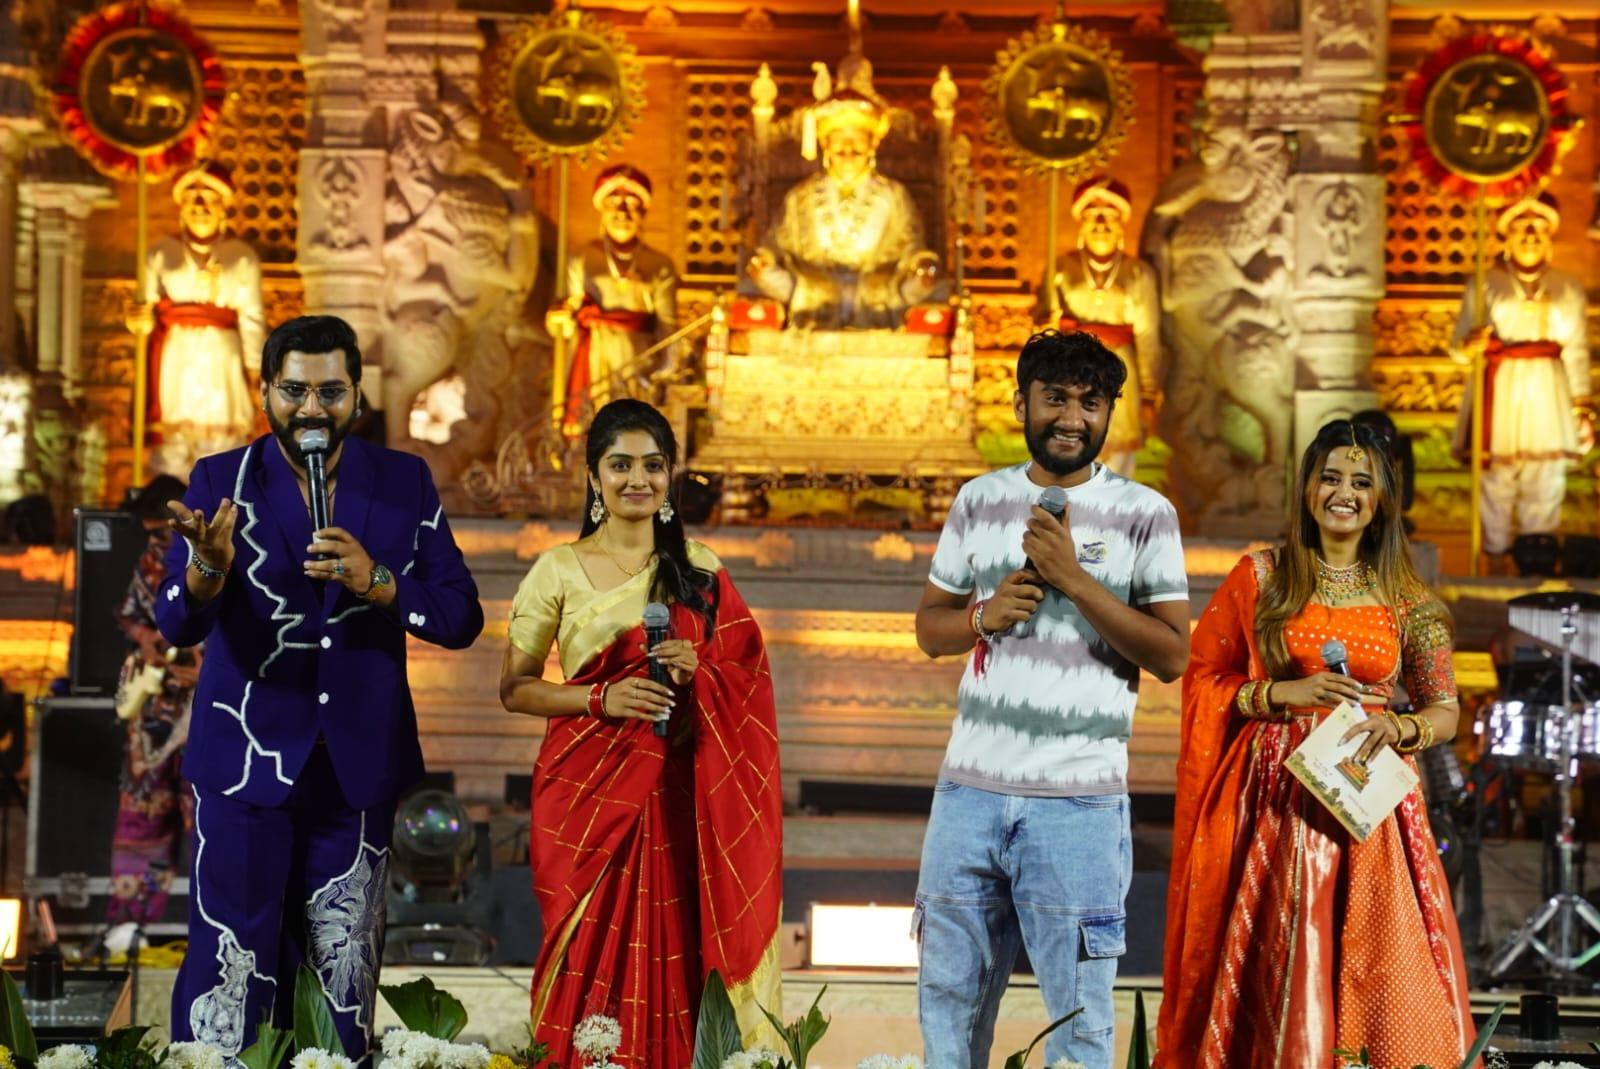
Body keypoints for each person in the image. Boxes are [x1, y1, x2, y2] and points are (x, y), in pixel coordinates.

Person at [155, 315, 483, 1062]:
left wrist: (378, 581)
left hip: (355, 768)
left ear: (357, 395)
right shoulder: (220, 479)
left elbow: (460, 615)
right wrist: (207, 570)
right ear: (265, 392)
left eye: (331, 392)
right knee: (230, 973)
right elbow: (175, 620)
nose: (312, 408)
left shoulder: (402, 481)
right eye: (295, 390)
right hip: (244, 765)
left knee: (342, 974)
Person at [1155, 419, 1475, 1067]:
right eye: (1330, 477)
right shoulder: (1262, 576)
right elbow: (1203, 678)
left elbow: (1445, 709)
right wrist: (1281, 693)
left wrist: (1401, 727)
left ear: (1382, 499)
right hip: (1275, 801)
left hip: (1369, 803)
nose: (1343, 493)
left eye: (1361, 482)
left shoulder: (1407, 598)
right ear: (1307, 488)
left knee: (1374, 952)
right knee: (1283, 945)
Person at [912, 330, 1190, 1069]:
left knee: (1080, 1024)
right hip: (968, 794)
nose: (1072, 418)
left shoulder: (1146, 512)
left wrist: (1073, 578)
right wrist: (983, 615)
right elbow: (930, 628)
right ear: (1021, 404)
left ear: (1110, 413)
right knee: (948, 1009)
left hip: (1078, 803)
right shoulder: (979, 499)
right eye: (1056, 398)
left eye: (1090, 403)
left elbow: (1171, 655)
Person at [499, 399, 782, 1068]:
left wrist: (699, 668)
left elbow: (747, 679)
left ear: (669, 477)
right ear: (593, 477)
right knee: (590, 956)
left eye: (653, 466)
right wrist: (601, 697)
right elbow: (515, 688)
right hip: (589, 798)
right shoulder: (557, 569)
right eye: (620, 465)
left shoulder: (701, 568)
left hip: (684, 798)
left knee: (680, 952)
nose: (637, 479)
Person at [1451, 192, 1593, 573]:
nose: (1530, 235)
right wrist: (1470, 345)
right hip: (1501, 388)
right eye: (1522, 228)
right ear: (1507, 236)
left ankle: (1538, 558)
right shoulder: (1486, 283)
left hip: (1549, 388)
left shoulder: (1567, 287)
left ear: (1549, 237)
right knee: (1497, 477)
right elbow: (1458, 344)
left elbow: (1576, 349)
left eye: (1538, 229)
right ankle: (1495, 559)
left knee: (1545, 475)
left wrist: (1582, 405)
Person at [746, 88, 939, 330]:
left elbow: (913, 249)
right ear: (825, 144)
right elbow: (776, 247)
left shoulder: (894, 196)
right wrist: (763, 262)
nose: (848, 147)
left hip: (878, 298)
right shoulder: (800, 197)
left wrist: (923, 268)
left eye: (857, 138)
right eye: (839, 138)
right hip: (811, 296)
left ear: (872, 144)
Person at [108, 473, 197, 927]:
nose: (157, 542)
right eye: (152, 535)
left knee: (208, 824)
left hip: (206, 713)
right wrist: (145, 639)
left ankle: (212, 931)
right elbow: (128, 615)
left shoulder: (220, 561)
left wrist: (206, 670)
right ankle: (130, 928)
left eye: (162, 533)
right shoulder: (152, 561)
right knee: (141, 820)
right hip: (154, 713)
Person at [136, 162, 266, 473]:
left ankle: (219, 498)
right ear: (181, 207)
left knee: (221, 443)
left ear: (223, 206)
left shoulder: (242, 257)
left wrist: (255, 369)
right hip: (176, 356)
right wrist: (137, 319)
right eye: (192, 198)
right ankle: (170, 496)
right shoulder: (160, 253)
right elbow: (144, 312)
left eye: (208, 198)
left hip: (223, 356)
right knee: (174, 442)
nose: (200, 206)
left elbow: (252, 318)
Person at [548, 165, 681, 436]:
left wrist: (666, 369)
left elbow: (668, 326)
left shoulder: (660, 264)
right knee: (593, 432)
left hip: (638, 359)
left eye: (631, 204)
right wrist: (559, 318)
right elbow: (570, 321)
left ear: (643, 211)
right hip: (594, 356)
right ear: (601, 210)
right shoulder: (581, 258)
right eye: (613, 203)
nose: (622, 212)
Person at [1048, 176, 1161, 478]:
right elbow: (1044, 330)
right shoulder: (1060, 270)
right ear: (1081, 222)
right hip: (1072, 372)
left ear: (1122, 222)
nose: (1100, 223)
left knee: (1118, 460)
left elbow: (1148, 335)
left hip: (1119, 374)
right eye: (1093, 215)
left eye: (1109, 215)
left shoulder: (1139, 274)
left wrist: (1149, 393)